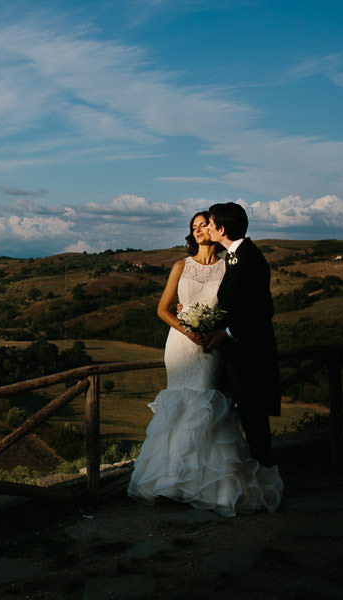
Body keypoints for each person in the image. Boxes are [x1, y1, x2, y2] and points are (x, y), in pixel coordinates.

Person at [127, 210, 282, 517]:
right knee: (180, 404)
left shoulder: (230, 265)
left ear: (217, 230)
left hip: (213, 344)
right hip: (182, 345)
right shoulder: (180, 265)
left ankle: (208, 482)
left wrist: (214, 329)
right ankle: (170, 480)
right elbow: (163, 308)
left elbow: (238, 306)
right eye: (194, 227)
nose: (199, 230)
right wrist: (188, 328)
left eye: (205, 225)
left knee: (208, 405)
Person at [205, 201, 281, 466]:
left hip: (251, 356)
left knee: (254, 420)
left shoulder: (249, 258)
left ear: (222, 229)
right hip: (238, 356)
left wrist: (227, 332)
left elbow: (262, 310)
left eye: (211, 225)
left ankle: (263, 477)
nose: (208, 229)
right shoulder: (237, 256)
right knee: (241, 416)